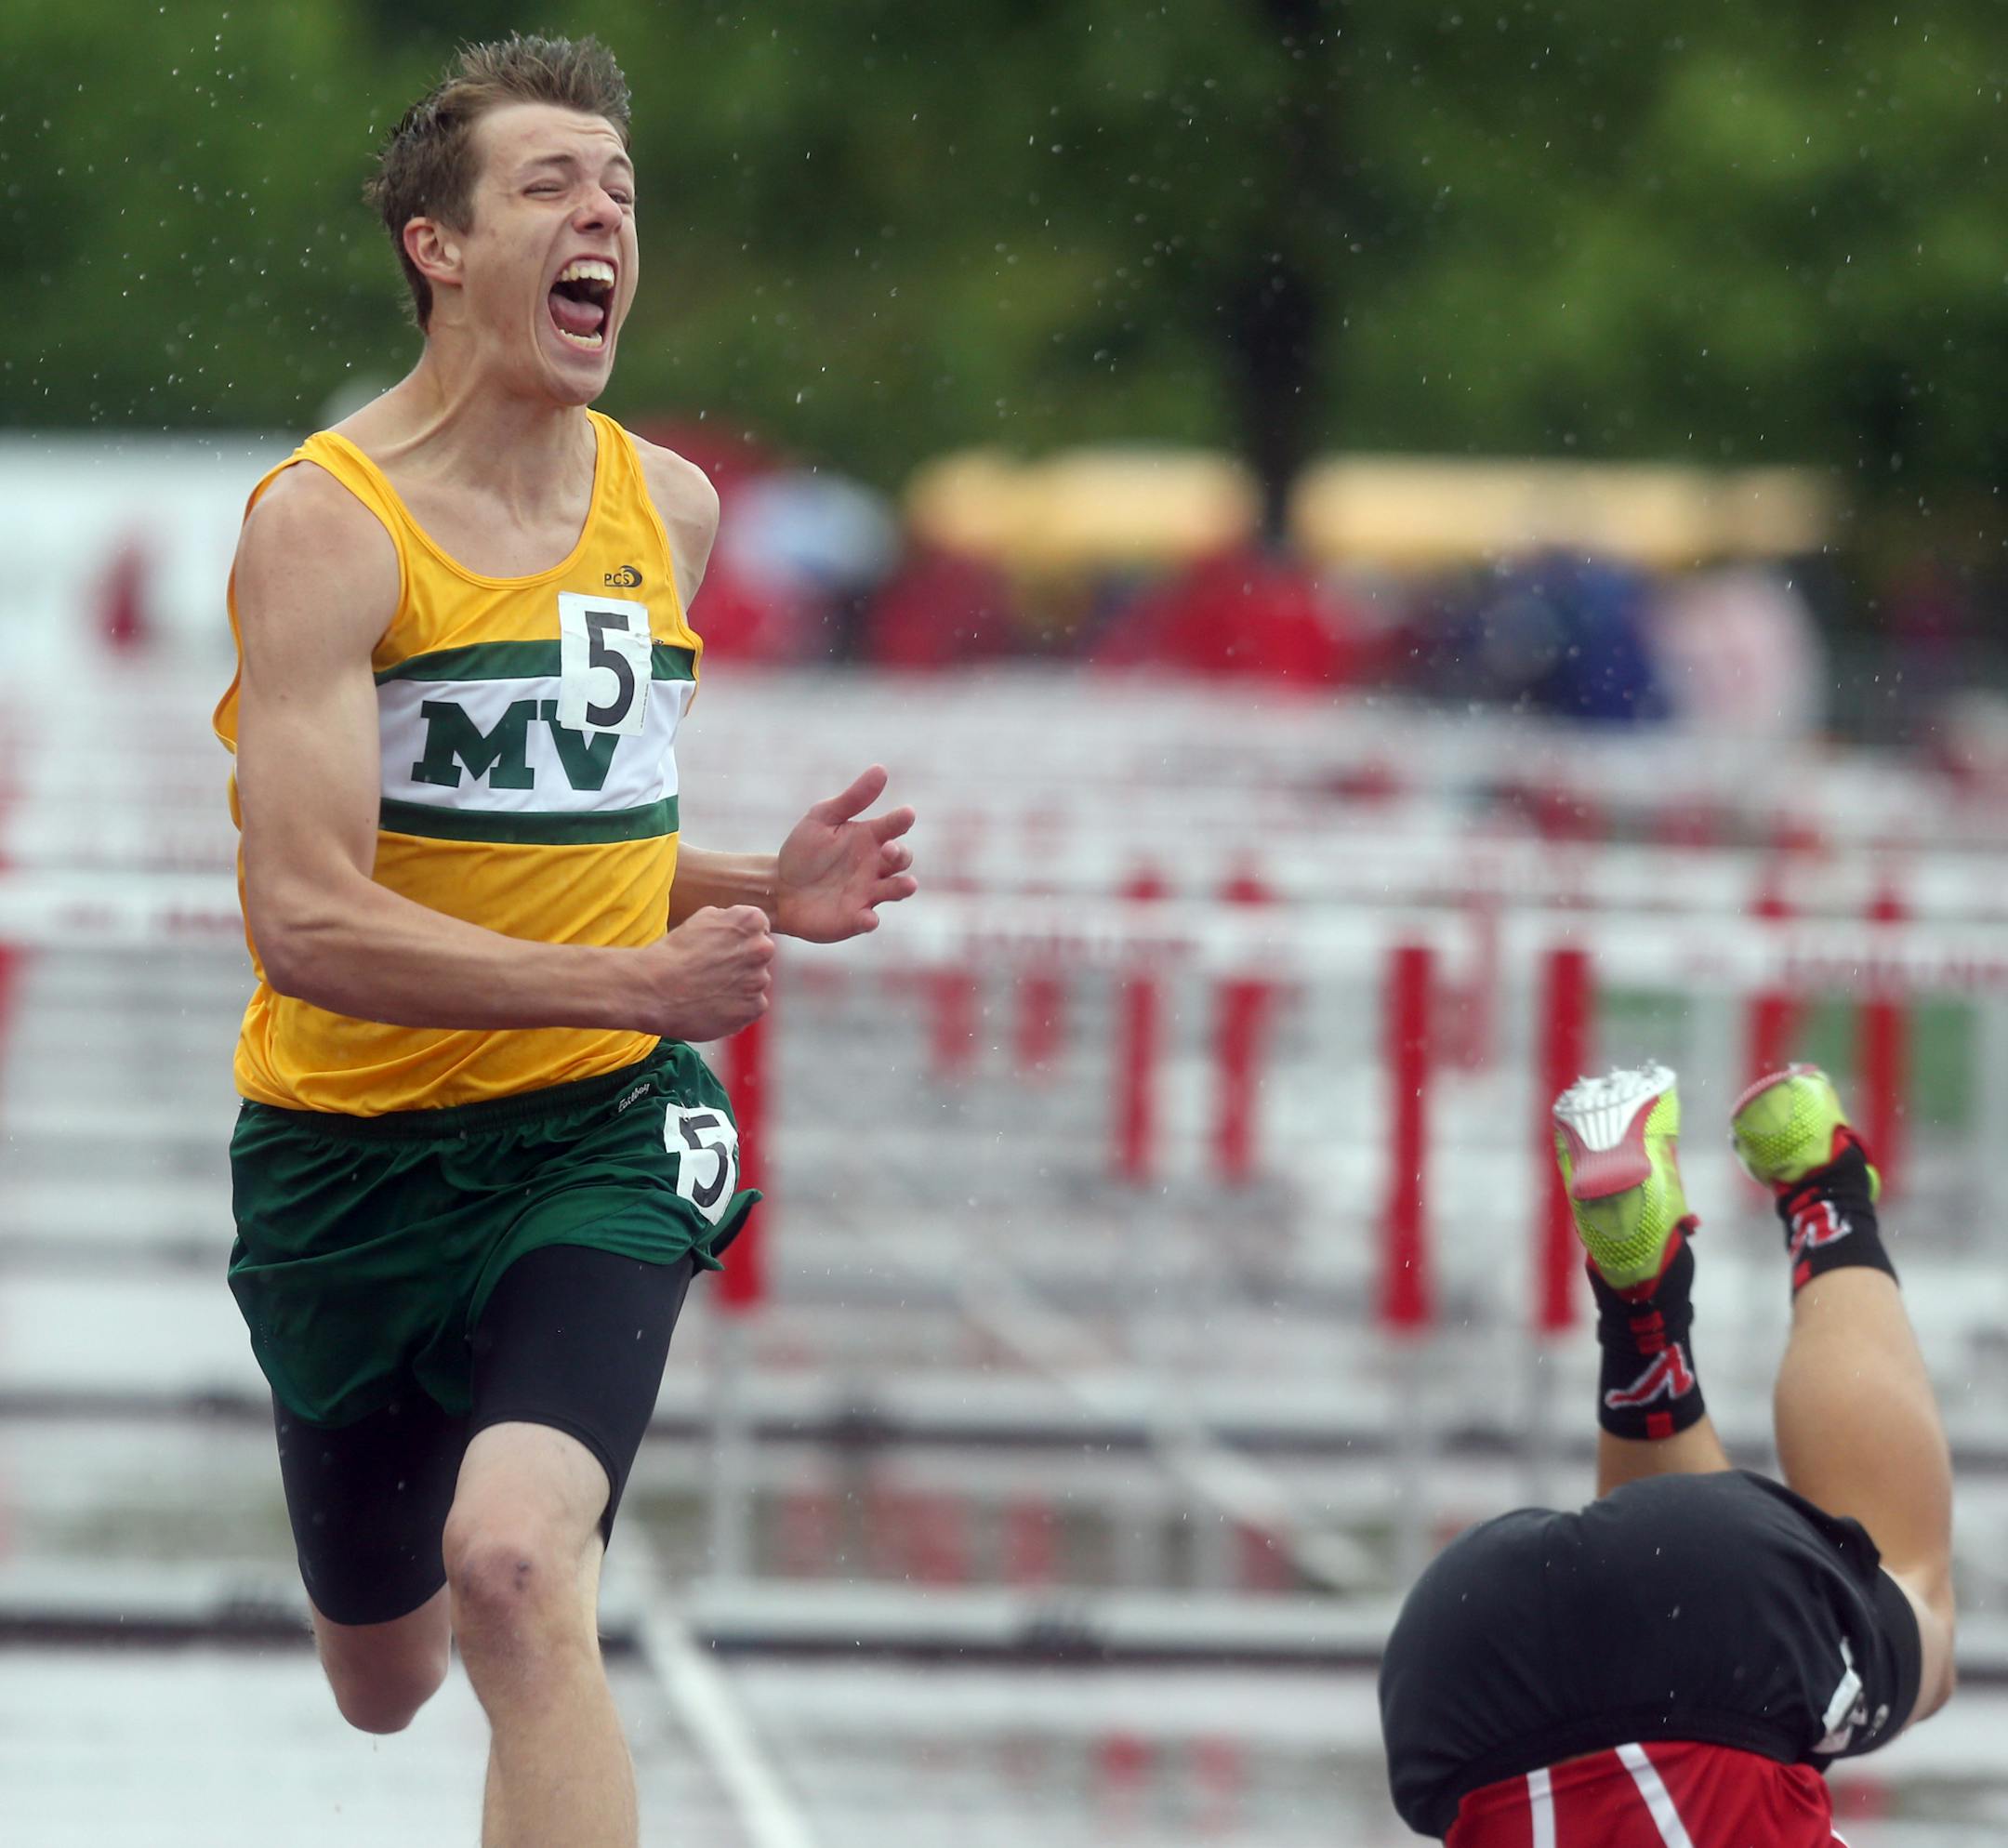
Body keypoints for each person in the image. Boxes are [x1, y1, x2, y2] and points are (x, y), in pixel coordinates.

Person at [211, 35, 917, 1848]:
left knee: (519, 1573)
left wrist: (761, 885)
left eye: (620, 191)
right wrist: (645, 964)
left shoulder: (664, 506)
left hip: (601, 1125)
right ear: (439, 248)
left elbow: (589, 841)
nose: (601, 213)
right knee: (388, 1678)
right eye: (548, 185)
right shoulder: (324, 526)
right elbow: (304, 920)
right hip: (348, 1158)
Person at [1379, 1063, 1957, 1843]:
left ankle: (1823, 1187)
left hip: (1704, 1606)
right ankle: (1642, 1322)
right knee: (1697, 1628)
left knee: (1911, 1593)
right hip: (1462, 1663)